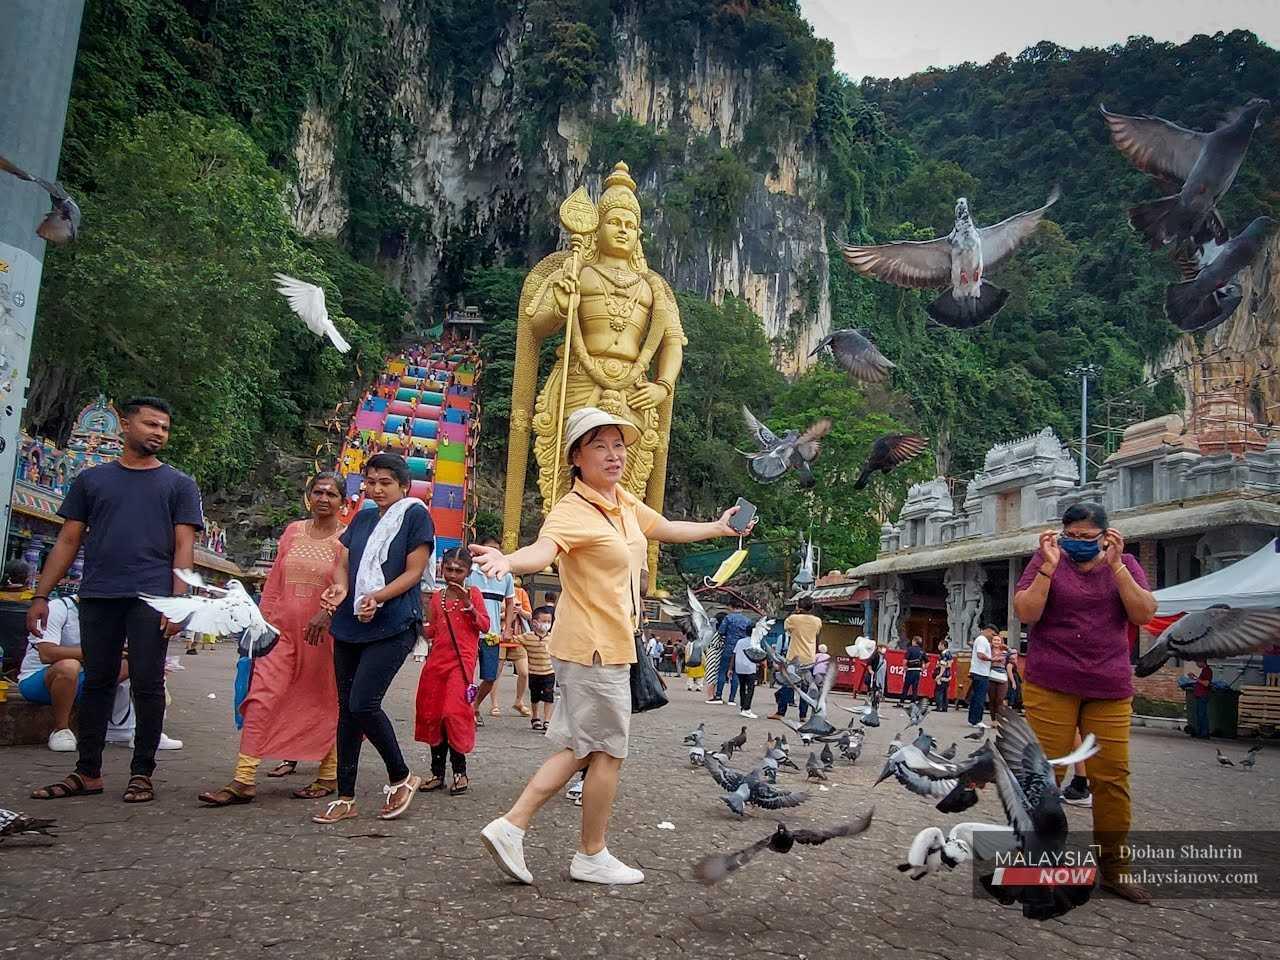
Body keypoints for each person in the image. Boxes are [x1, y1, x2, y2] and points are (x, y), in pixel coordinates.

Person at [472, 407, 748, 885]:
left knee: (585, 747)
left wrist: (719, 528)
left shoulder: (622, 502)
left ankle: (516, 828)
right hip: (592, 648)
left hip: (612, 645)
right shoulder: (571, 510)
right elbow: (545, 549)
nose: (614, 454)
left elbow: (661, 527)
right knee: (606, 752)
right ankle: (581, 850)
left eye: (618, 445)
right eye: (599, 445)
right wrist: (510, 560)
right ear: (576, 457)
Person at [28, 397, 203, 804]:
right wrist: (41, 594)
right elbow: (69, 539)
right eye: (150, 425)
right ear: (125, 425)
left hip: (151, 598)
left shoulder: (178, 484)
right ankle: (87, 771)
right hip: (99, 593)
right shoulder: (93, 481)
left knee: (147, 682)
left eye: (164, 427)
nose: (159, 433)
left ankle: (142, 772)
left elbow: (183, 546)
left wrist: (180, 604)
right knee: (98, 682)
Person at [1013, 501, 1157, 904]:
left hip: (1108, 687)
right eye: (1070, 536)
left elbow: (1144, 612)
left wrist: (1117, 567)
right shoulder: (1047, 559)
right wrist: (1047, 564)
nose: (1076, 543)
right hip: (1050, 683)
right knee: (1043, 778)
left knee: (1112, 780)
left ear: (1106, 536)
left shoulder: (1124, 561)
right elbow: (1026, 611)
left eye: (1085, 537)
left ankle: (1114, 869)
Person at [197, 473, 344, 807]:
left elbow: (347, 588)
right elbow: (276, 580)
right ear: (309, 495)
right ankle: (243, 779)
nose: (323, 498)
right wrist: (259, 623)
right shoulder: (293, 531)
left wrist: (330, 615)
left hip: (323, 637)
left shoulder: (346, 540)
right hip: (279, 634)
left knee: (322, 702)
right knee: (261, 696)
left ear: (342, 502)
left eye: (331, 494)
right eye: (318, 492)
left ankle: (328, 773)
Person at [313, 453, 432, 824]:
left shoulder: (415, 515)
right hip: (352, 620)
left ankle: (401, 775)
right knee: (347, 708)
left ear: (403, 486)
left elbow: (414, 572)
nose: (377, 489)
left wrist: (377, 597)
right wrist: (340, 589)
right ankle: (345, 796)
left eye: (386, 482)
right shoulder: (363, 517)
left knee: (364, 703)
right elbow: (345, 564)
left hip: (394, 620)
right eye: (371, 481)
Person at [17, 594, 136, 751]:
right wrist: (102, 653)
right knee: (69, 666)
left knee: (140, 662)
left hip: (86, 680)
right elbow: (47, 654)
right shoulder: (59, 608)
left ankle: (132, 729)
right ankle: (61, 730)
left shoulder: (111, 613)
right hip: (39, 680)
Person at [414, 548, 488, 795]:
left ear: (468, 572)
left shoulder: (474, 594)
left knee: (453, 714)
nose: (453, 575)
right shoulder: (437, 597)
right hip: (436, 663)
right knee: (433, 715)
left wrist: (469, 606)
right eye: (449, 569)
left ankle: (460, 773)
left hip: (461, 663)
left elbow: (485, 626)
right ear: (441, 569)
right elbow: (433, 630)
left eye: (459, 570)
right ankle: (437, 774)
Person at [465, 535, 517, 721]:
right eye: (488, 549)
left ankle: (475, 704)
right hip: (470, 633)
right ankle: (465, 710)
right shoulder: (469, 573)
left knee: (490, 676)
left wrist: (508, 627)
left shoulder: (506, 576)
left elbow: (510, 603)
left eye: (497, 549)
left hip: (492, 634)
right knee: (466, 675)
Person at [769, 596, 821, 720]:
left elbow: (787, 627)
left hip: (794, 657)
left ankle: (781, 712)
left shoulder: (793, 619)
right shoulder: (817, 621)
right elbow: (817, 635)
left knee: (788, 684)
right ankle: (803, 715)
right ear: (812, 607)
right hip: (809, 657)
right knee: (805, 687)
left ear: (798, 607)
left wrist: (796, 612)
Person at [519, 606, 556, 732]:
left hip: (549, 672)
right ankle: (535, 717)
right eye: (544, 621)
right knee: (535, 696)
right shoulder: (528, 637)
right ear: (534, 622)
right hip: (534, 673)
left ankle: (547, 720)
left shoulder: (552, 637)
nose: (547, 624)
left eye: (549, 621)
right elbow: (514, 640)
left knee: (549, 696)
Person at [711, 604, 751, 705]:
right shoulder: (747, 620)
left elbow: (721, 631)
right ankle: (731, 699)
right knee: (736, 674)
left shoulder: (728, 618)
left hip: (728, 648)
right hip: (741, 650)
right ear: (741, 608)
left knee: (722, 672)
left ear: (732, 607)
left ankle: (719, 696)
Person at [967, 625, 997, 729]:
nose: (993, 637)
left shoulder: (981, 640)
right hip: (981, 672)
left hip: (978, 671)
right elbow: (980, 654)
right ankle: (977, 720)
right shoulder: (982, 640)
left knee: (976, 697)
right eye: (993, 634)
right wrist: (992, 659)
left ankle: (972, 719)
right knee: (980, 697)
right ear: (988, 631)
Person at [735, 631, 761, 719]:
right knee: (750, 689)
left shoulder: (740, 641)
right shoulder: (756, 642)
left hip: (739, 667)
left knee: (742, 688)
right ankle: (747, 709)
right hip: (750, 668)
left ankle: (743, 707)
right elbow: (759, 654)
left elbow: (734, 654)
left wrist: (731, 668)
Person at [988, 631, 1011, 717]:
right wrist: (994, 659)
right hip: (991, 675)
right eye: (995, 640)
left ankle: (1000, 717)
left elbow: (1013, 652)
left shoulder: (1004, 651)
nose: (996, 642)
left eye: (998, 640)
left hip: (1002, 675)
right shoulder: (988, 650)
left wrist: (1006, 647)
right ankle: (993, 719)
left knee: (1000, 698)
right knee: (992, 698)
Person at [1189, 659, 1213, 739]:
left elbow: (1206, 683)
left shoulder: (1207, 671)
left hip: (1203, 695)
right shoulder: (1204, 670)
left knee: (1202, 714)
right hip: (1199, 695)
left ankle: (1204, 733)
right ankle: (1200, 732)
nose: (1197, 664)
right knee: (1199, 714)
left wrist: (1196, 678)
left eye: (1197, 662)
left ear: (1202, 661)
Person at [900, 636, 925, 705]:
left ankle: (902, 701)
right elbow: (927, 661)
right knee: (915, 687)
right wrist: (923, 669)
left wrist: (904, 667)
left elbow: (905, 660)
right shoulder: (922, 651)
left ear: (914, 641)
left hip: (910, 670)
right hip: (917, 671)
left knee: (906, 686)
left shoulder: (910, 649)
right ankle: (913, 701)